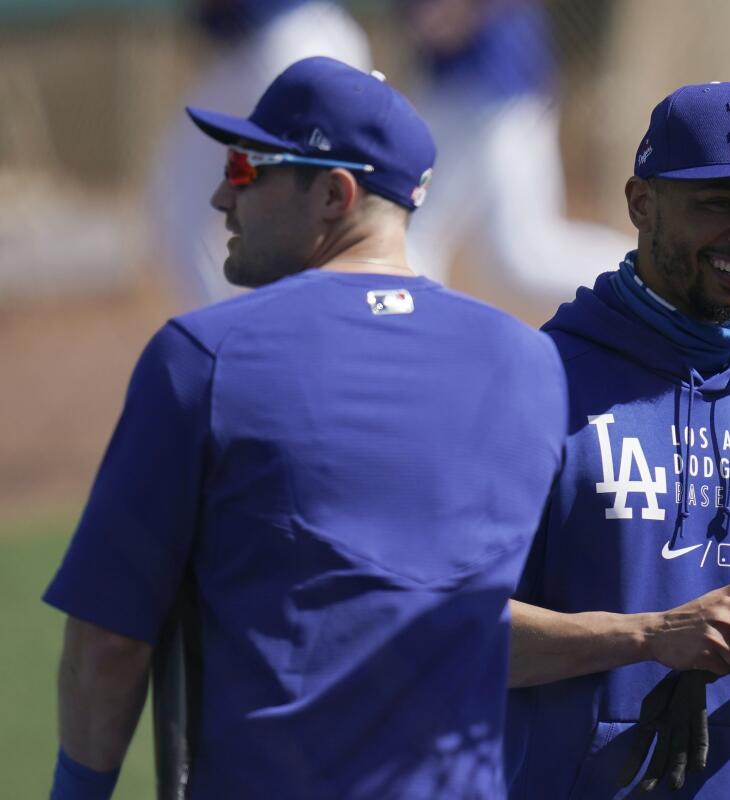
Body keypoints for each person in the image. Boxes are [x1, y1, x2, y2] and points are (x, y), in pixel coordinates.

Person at [45, 57, 567, 799]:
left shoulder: (204, 357)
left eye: (247, 167)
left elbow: (107, 643)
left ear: (333, 193)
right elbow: (481, 619)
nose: (223, 194)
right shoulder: (533, 365)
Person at [505, 82, 730, 799]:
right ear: (642, 203)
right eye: (719, 204)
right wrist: (646, 637)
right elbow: (460, 633)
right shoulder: (536, 386)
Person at [398, 0, 634, 305]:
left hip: (489, 95)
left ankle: (651, 280)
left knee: (417, 235)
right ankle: (646, 278)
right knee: (518, 260)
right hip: (474, 91)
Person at [150, 0, 371, 305]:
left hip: (284, 46)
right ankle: (247, 338)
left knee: (304, 219)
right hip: (309, 38)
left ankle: (265, 340)